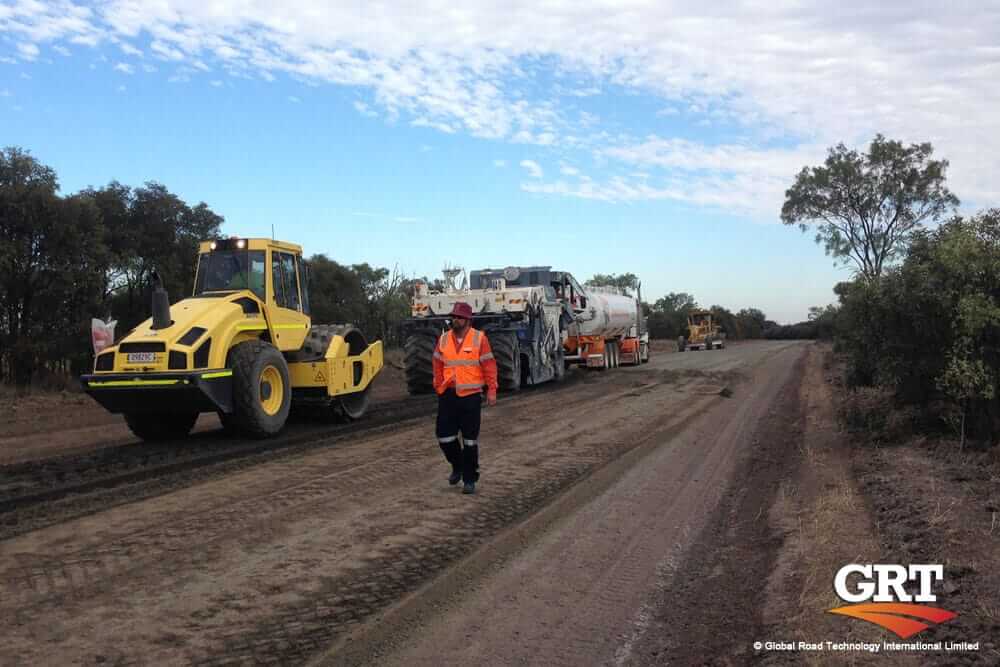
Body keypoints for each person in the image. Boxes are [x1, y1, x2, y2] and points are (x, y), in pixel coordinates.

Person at [433, 302, 498, 494]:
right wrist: (438, 384)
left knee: (470, 441)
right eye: (453, 316)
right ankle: (458, 466)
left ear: (468, 320)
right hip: (448, 395)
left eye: (459, 317)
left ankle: (470, 479)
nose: (456, 320)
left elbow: (489, 365)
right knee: (444, 437)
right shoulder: (443, 339)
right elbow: (437, 362)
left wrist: (492, 389)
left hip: (470, 397)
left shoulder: (480, 339)